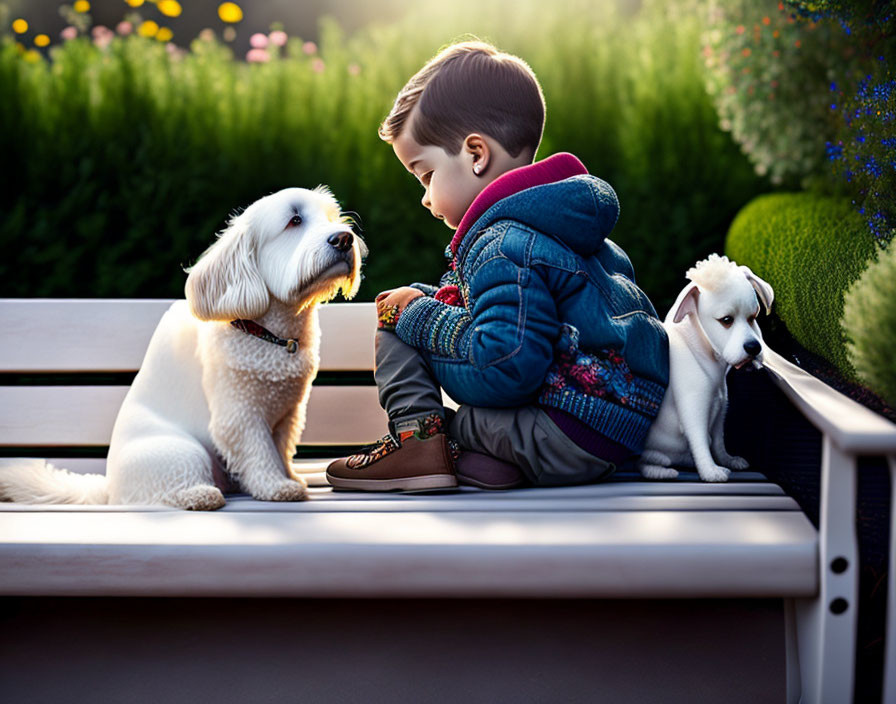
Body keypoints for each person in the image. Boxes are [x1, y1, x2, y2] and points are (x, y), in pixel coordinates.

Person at [326, 41, 669, 492]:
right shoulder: (575, 231)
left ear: (475, 154)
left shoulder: (502, 244)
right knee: (424, 304)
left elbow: (506, 366)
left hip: (563, 433)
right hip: (616, 432)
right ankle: (488, 463)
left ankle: (418, 446)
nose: (425, 198)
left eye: (426, 174)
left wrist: (415, 316)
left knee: (399, 310)